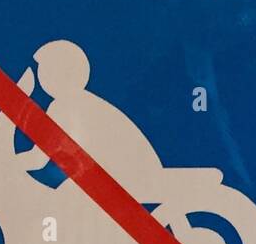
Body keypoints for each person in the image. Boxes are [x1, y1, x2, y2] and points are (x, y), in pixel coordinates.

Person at [18, 40, 167, 201]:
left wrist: (8, 165)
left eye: (48, 71)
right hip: (134, 175)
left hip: (125, 181)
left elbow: (39, 159)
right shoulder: (83, 100)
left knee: (65, 198)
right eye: (44, 71)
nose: (43, 77)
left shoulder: (63, 106)